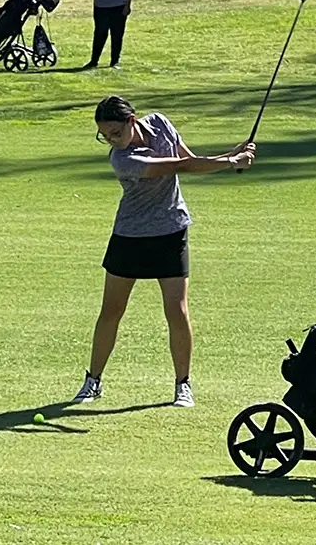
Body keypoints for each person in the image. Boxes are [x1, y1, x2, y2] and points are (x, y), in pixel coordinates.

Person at [73, 95, 256, 408]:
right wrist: (230, 162)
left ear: (133, 121)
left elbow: (189, 158)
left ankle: (182, 385)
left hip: (171, 230)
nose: (111, 140)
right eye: (104, 136)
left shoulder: (159, 123)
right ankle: (93, 381)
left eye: (115, 133)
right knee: (112, 310)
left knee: (177, 310)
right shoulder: (123, 159)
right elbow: (179, 166)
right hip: (130, 235)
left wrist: (232, 156)